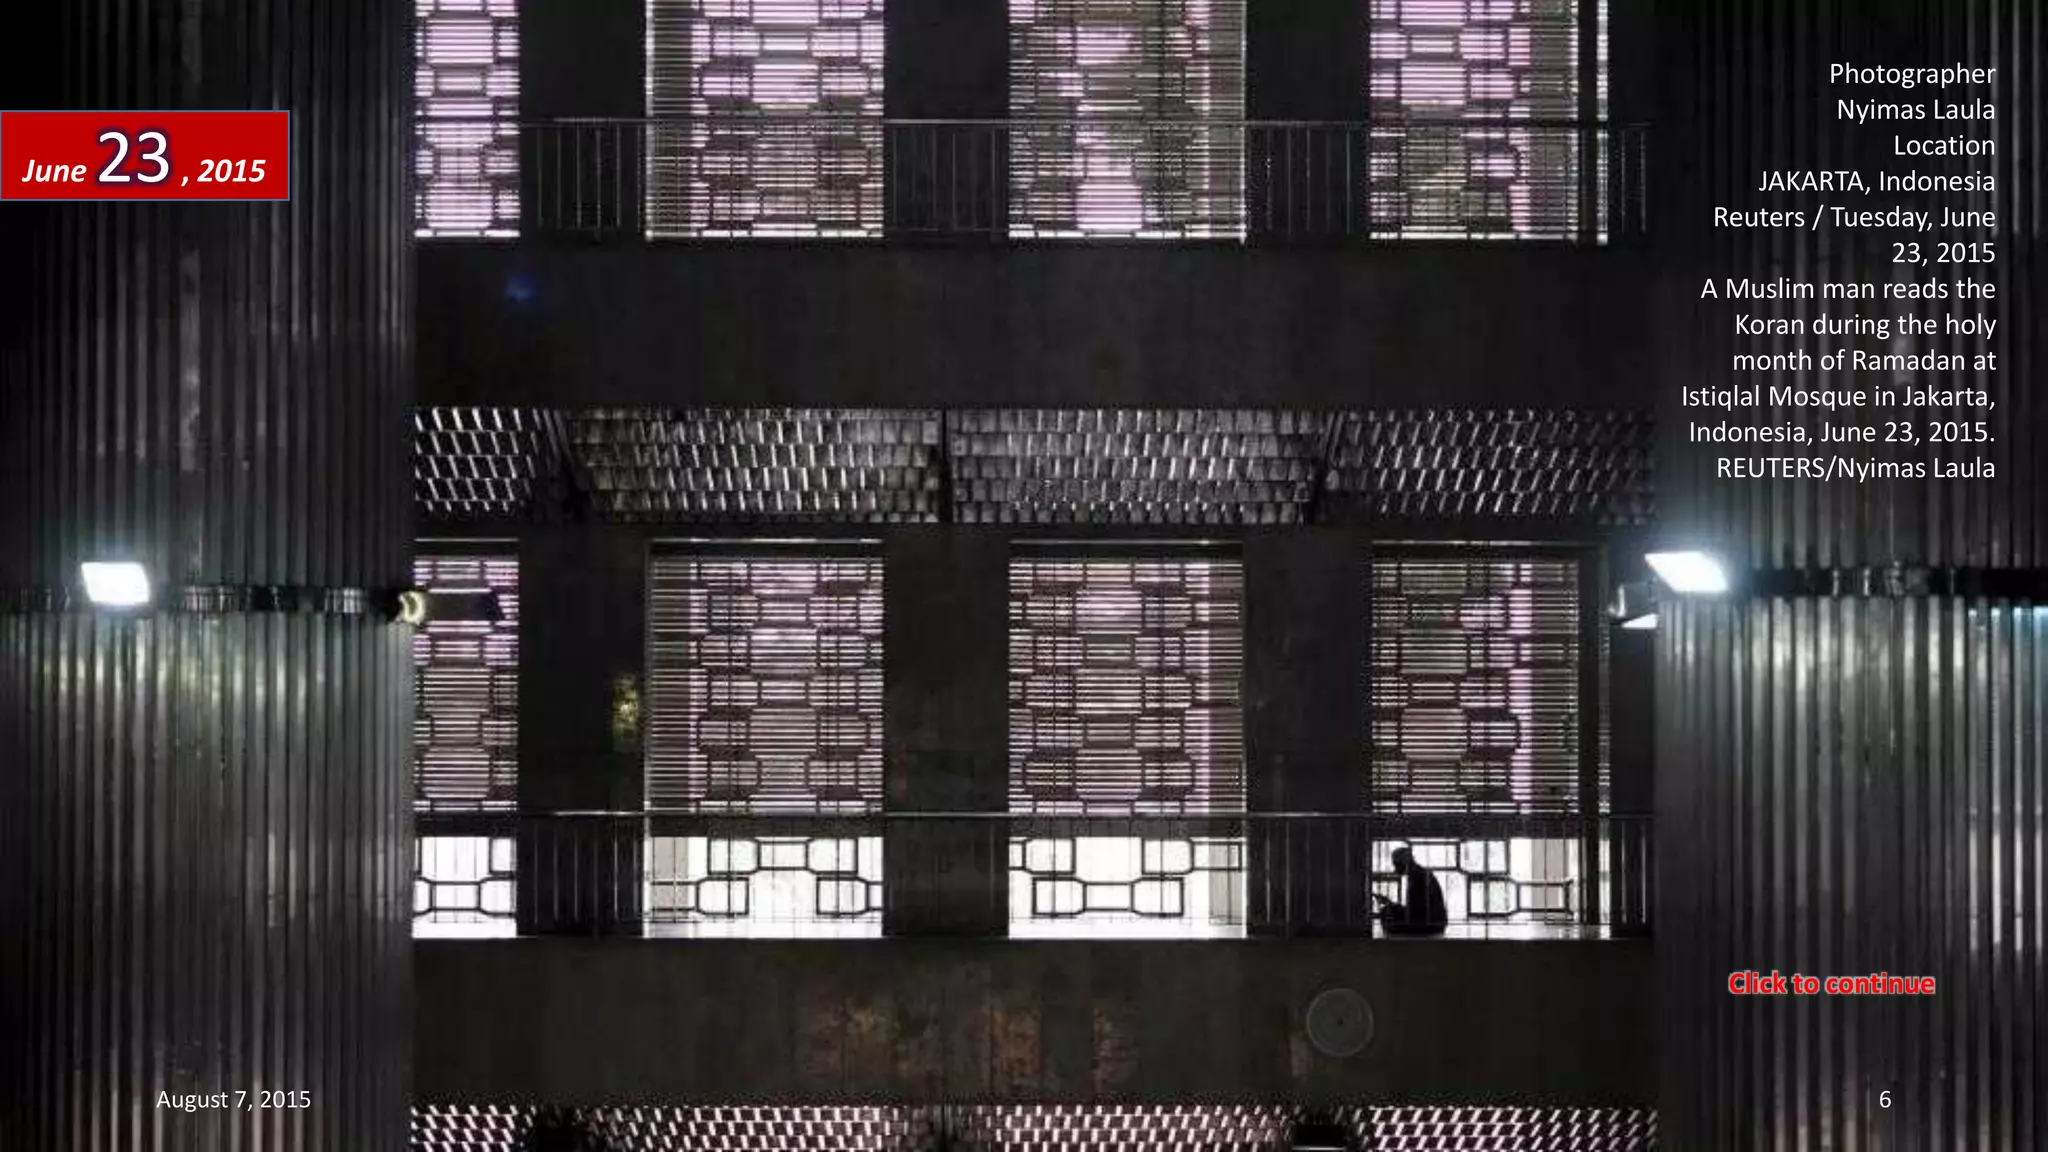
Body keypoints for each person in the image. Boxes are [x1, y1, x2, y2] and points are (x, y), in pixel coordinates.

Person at [1373, 847, 1449, 936]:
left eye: (1396, 865)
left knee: (1386, 913)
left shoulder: (1418, 878)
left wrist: (1392, 906)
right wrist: (1392, 904)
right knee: (1389, 911)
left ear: (1404, 863)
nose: (1395, 869)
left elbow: (1415, 912)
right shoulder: (1420, 874)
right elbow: (1416, 909)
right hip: (1435, 922)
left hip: (1430, 925)